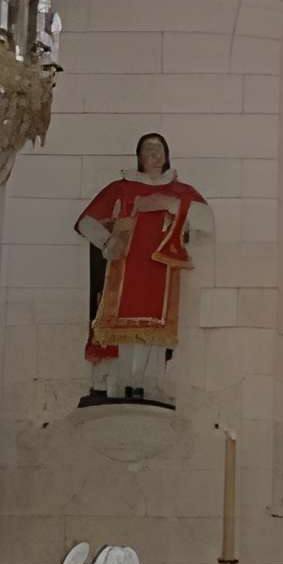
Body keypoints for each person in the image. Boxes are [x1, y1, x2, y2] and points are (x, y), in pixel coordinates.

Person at [74, 134, 212, 408]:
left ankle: (150, 384)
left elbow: (205, 223)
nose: (154, 154)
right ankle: (119, 383)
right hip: (124, 268)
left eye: (159, 148)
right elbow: (87, 222)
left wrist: (169, 204)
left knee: (156, 327)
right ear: (139, 156)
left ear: (167, 155)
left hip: (162, 270)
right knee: (121, 325)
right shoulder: (122, 188)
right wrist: (107, 241)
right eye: (148, 149)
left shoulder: (180, 191)